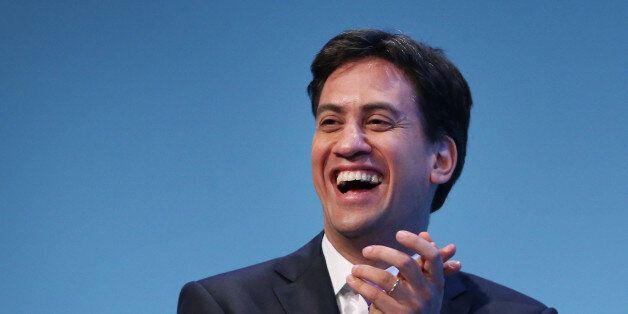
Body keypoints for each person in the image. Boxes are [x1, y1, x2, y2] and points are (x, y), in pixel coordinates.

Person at [178, 29, 556, 313]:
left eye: (377, 122)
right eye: (330, 122)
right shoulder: (225, 305)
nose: (347, 144)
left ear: (440, 160)